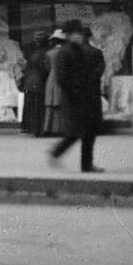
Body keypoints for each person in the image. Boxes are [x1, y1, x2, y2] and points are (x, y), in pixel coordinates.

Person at [50, 19, 106, 173]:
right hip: (75, 98)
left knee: (87, 133)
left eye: (79, 34)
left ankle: (86, 165)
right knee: (76, 132)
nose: (79, 37)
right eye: (76, 34)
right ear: (69, 36)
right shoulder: (65, 52)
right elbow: (62, 78)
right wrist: (75, 90)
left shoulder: (78, 50)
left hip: (86, 98)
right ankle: (58, 153)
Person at [20, 32, 50, 137]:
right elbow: (43, 70)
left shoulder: (33, 53)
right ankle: (38, 130)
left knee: (32, 106)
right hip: (39, 82)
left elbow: (26, 68)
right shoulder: (43, 53)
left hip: (30, 82)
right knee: (38, 106)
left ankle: (31, 128)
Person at [43, 29, 67, 136]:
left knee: (50, 103)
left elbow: (47, 67)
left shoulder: (49, 53)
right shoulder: (66, 52)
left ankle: (49, 128)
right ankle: (62, 128)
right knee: (62, 103)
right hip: (63, 78)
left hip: (51, 78)